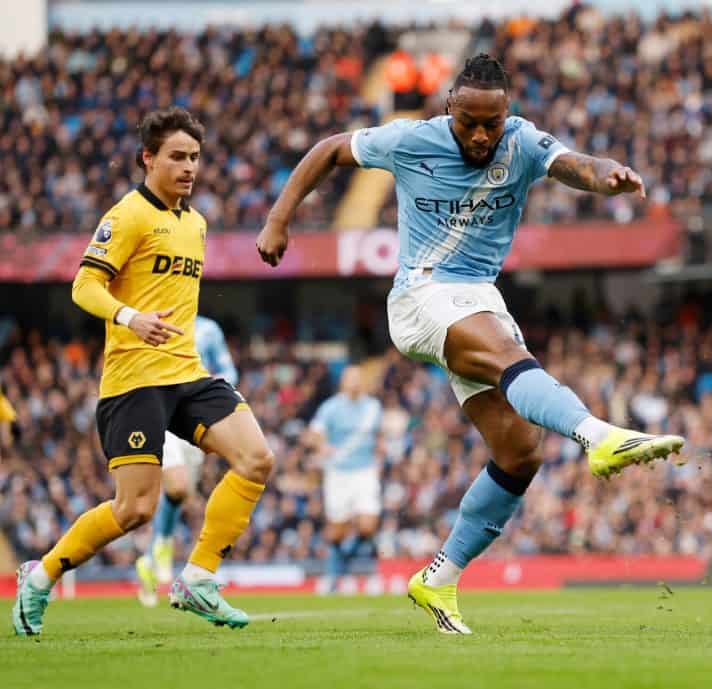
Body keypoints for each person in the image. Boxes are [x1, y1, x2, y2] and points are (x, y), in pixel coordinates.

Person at [257, 54, 684, 634]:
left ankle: (439, 576)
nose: (482, 135)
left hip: (479, 298)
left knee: (520, 452)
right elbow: (331, 148)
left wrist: (609, 172)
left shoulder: (522, 142)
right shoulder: (409, 140)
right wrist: (280, 218)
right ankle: (599, 436)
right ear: (449, 109)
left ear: (507, 113)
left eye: (493, 122)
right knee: (512, 361)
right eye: (469, 123)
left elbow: (575, 164)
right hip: (420, 295)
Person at [11, 107, 274, 636]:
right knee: (135, 509)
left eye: (195, 157)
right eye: (177, 156)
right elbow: (83, 286)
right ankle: (41, 577)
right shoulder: (127, 215)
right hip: (134, 380)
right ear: (147, 158)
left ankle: (197, 577)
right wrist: (130, 316)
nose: (189, 167)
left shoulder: (195, 223)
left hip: (187, 373)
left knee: (256, 459)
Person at [135, 315, 239, 607]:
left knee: (180, 494)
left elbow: (228, 368)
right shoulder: (152, 321)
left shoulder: (208, 328)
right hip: (163, 411)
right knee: (178, 487)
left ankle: (151, 558)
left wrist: (218, 386)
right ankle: (162, 546)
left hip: (197, 414)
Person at [304, 365, 383, 594]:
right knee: (337, 531)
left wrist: (379, 459)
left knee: (368, 525)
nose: (355, 382)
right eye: (351, 378)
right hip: (338, 473)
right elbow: (314, 434)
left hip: (365, 471)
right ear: (343, 382)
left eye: (358, 378)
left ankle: (338, 569)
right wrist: (322, 446)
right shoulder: (331, 407)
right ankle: (336, 573)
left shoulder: (373, 407)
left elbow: (378, 437)